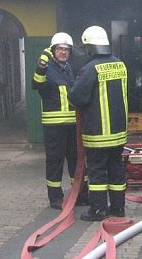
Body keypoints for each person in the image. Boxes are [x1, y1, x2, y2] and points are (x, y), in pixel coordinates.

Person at [68, 26, 129, 221]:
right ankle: (118, 208)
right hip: (119, 132)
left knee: (97, 172)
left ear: (90, 47)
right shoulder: (120, 64)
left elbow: (77, 97)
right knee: (116, 169)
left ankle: (97, 210)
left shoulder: (90, 68)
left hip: (98, 133)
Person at [33, 32, 85, 209]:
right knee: (55, 161)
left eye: (66, 49)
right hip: (54, 125)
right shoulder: (47, 67)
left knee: (75, 159)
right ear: (53, 50)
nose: (63, 52)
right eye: (60, 49)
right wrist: (42, 63)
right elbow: (37, 84)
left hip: (72, 124)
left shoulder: (68, 68)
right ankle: (55, 198)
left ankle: (80, 193)